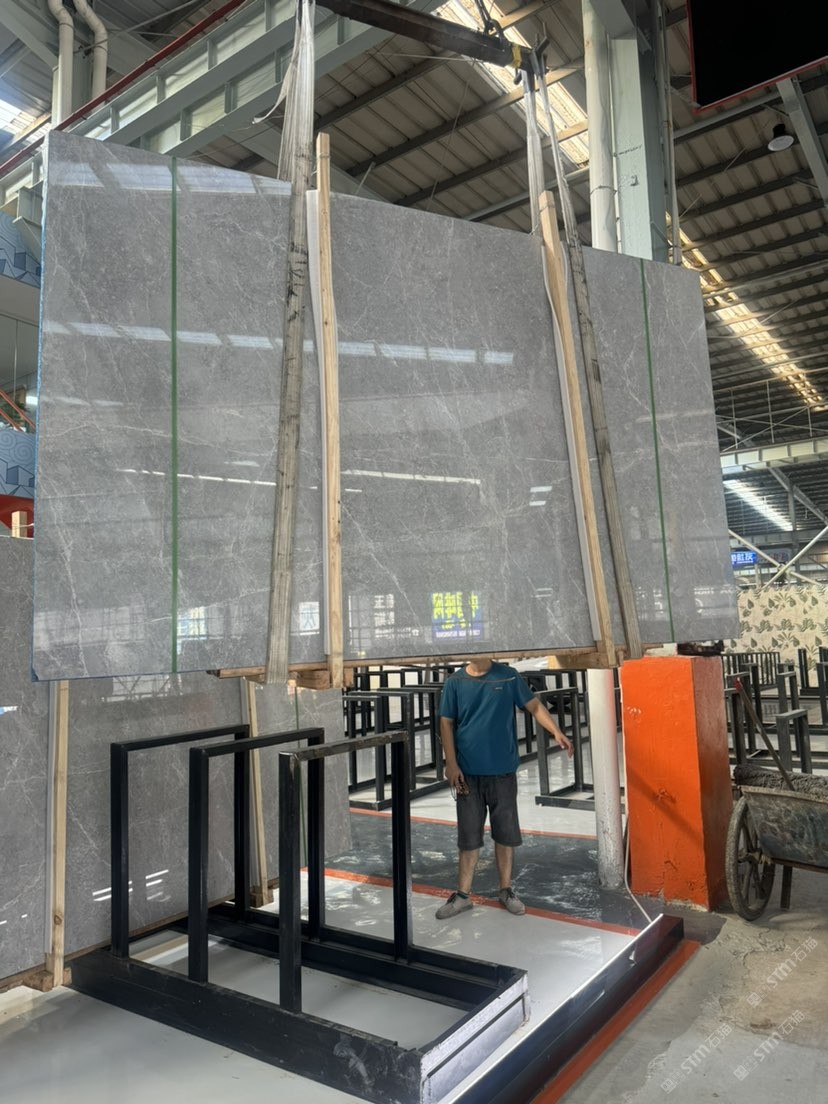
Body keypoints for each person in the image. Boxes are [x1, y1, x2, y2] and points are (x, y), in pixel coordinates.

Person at [435, 656, 574, 919]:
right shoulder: (455, 682)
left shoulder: (508, 676)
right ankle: (463, 896)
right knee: (468, 837)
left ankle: (506, 890)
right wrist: (450, 763)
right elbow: (446, 722)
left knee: (505, 834)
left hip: (502, 771)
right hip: (467, 773)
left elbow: (534, 705)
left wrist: (556, 731)